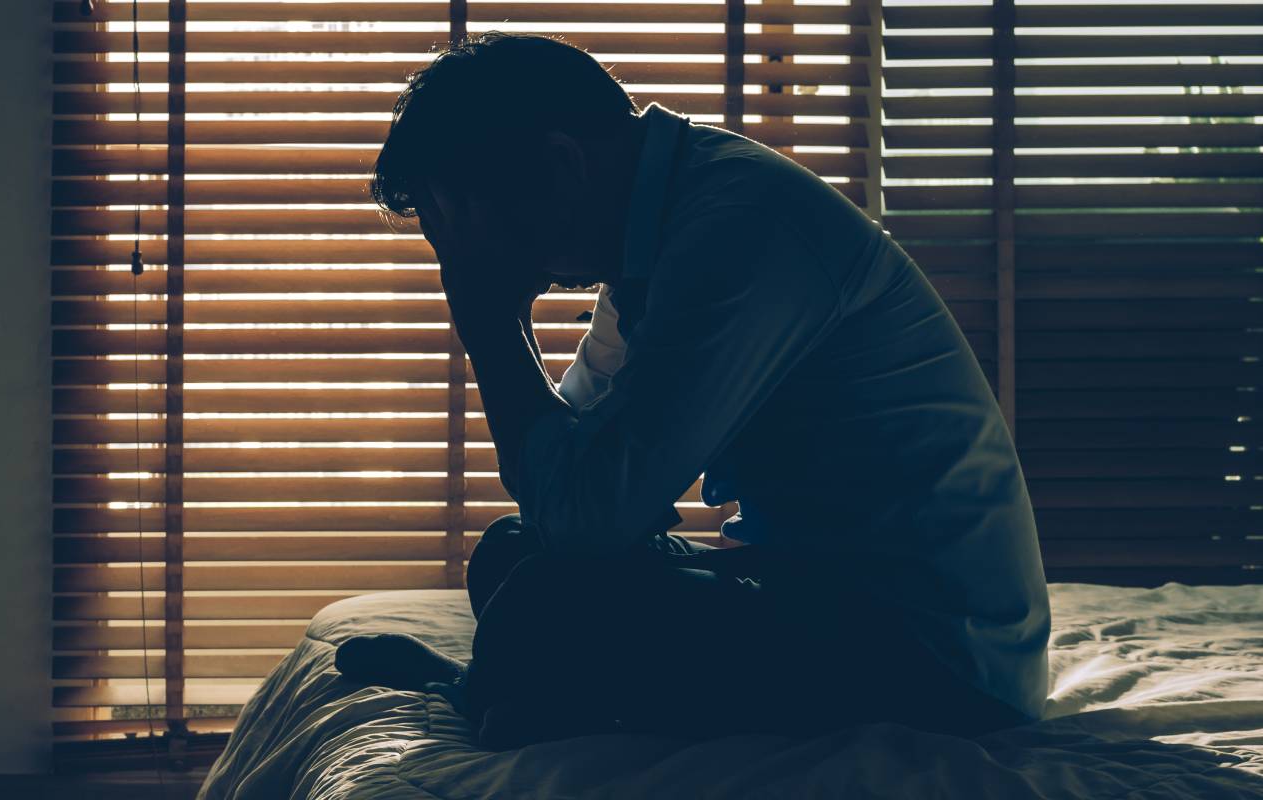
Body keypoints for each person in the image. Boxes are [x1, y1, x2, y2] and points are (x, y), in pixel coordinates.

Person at [333, 33, 1051, 751]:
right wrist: (497, 318)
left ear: (559, 164)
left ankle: (491, 691)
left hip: (938, 658)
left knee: (545, 601)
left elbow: (590, 515)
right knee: (509, 554)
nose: (474, 256)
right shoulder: (654, 236)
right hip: (815, 586)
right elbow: (561, 488)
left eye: (478, 225)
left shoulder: (741, 230)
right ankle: (504, 690)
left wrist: (488, 322)